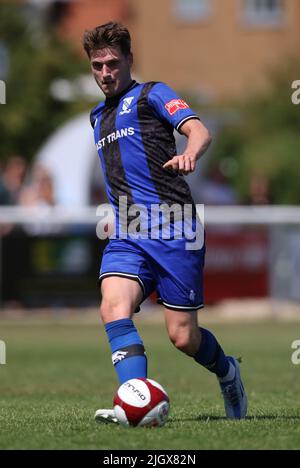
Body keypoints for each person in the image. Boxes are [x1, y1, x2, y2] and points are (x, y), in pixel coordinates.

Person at [82, 21, 247, 423]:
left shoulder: (153, 94)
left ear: (129, 61)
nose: (105, 72)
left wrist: (191, 152)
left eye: (112, 63)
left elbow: (199, 131)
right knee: (112, 306)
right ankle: (131, 401)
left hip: (175, 226)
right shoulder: (95, 117)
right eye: (97, 65)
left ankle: (228, 372)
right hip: (126, 229)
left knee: (183, 337)